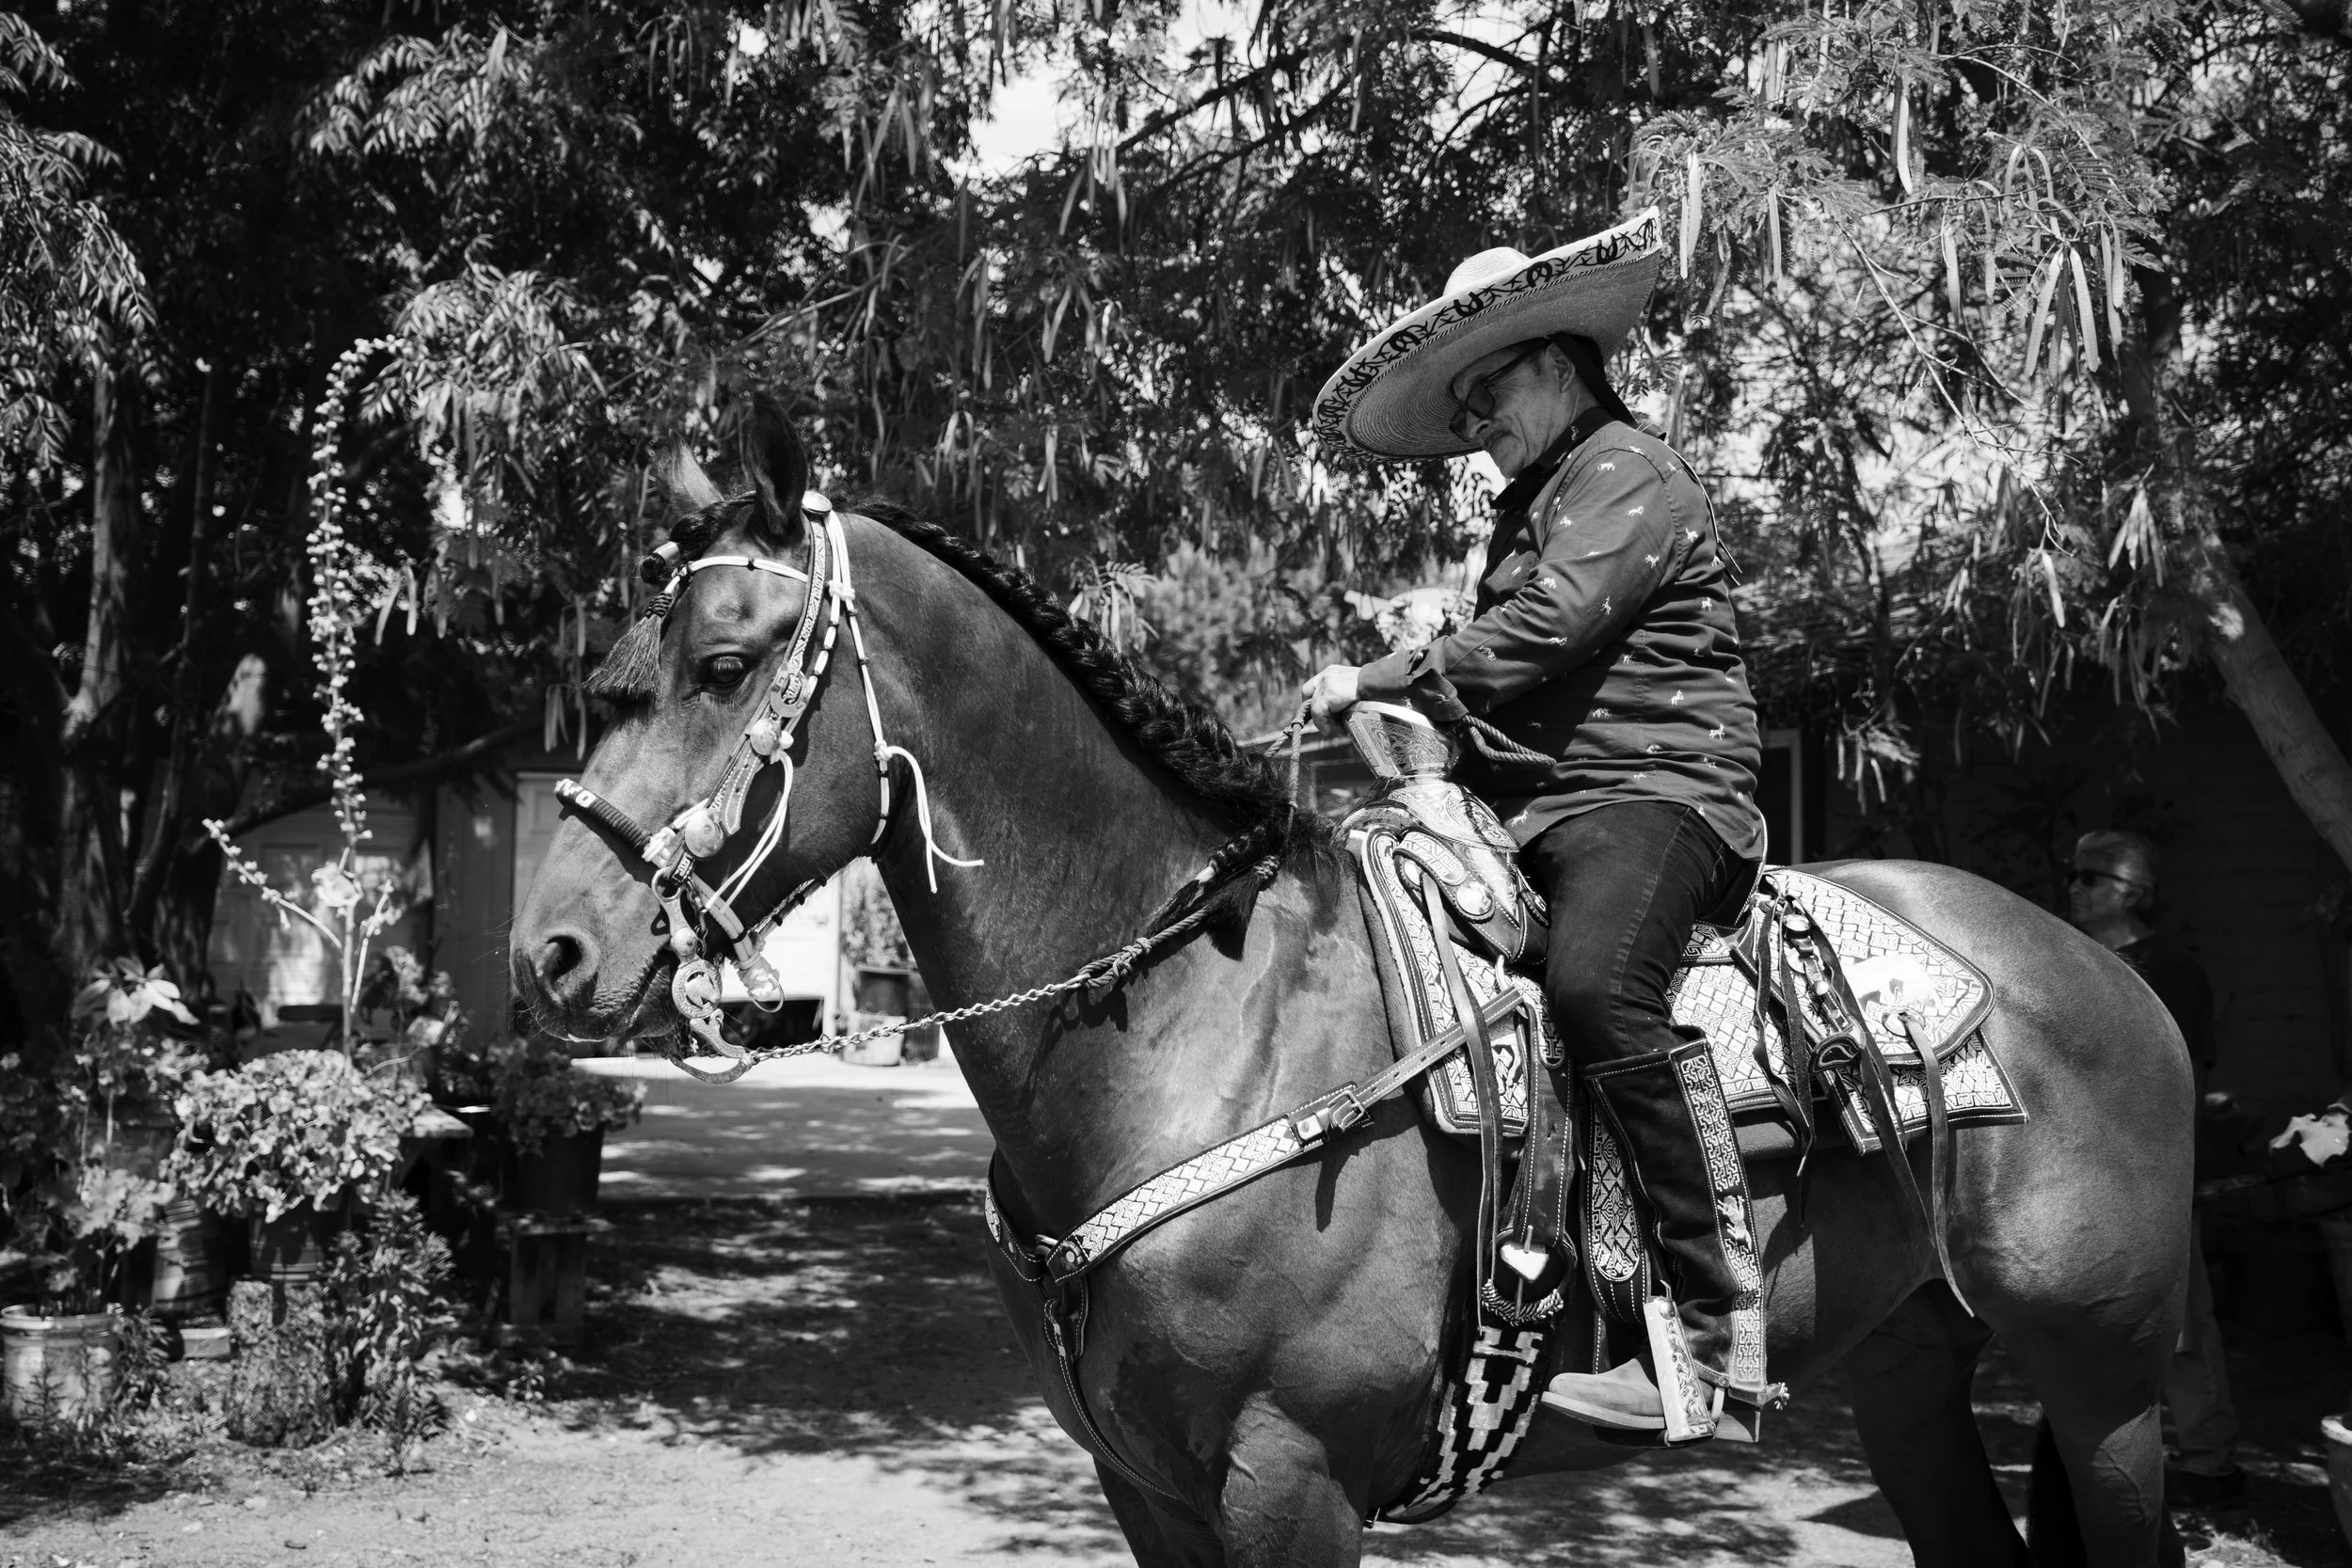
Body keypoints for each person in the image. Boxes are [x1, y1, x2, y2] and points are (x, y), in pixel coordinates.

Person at [1302, 209, 1769, 1443]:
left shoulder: (1628, 469)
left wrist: (1376, 676)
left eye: (1489, 394)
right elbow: (1505, 668)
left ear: (1558, 361)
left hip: (1659, 792)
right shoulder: (1536, 498)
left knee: (1597, 987)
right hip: (1543, 808)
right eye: (1461, 410)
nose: (1477, 426)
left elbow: (1547, 628)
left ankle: (1716, 1333)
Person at [2067, 829, 2243, 1508]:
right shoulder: (2073, 955)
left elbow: (2187, 1078)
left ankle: (2210, 1459)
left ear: (2133, 892)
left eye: (2090, 877)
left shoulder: (2170, 969)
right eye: (2074, 874)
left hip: (2150, 1171)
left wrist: (2169, 1169)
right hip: (2080, 1169)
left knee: (2182, 1319)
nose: (2074, 887)